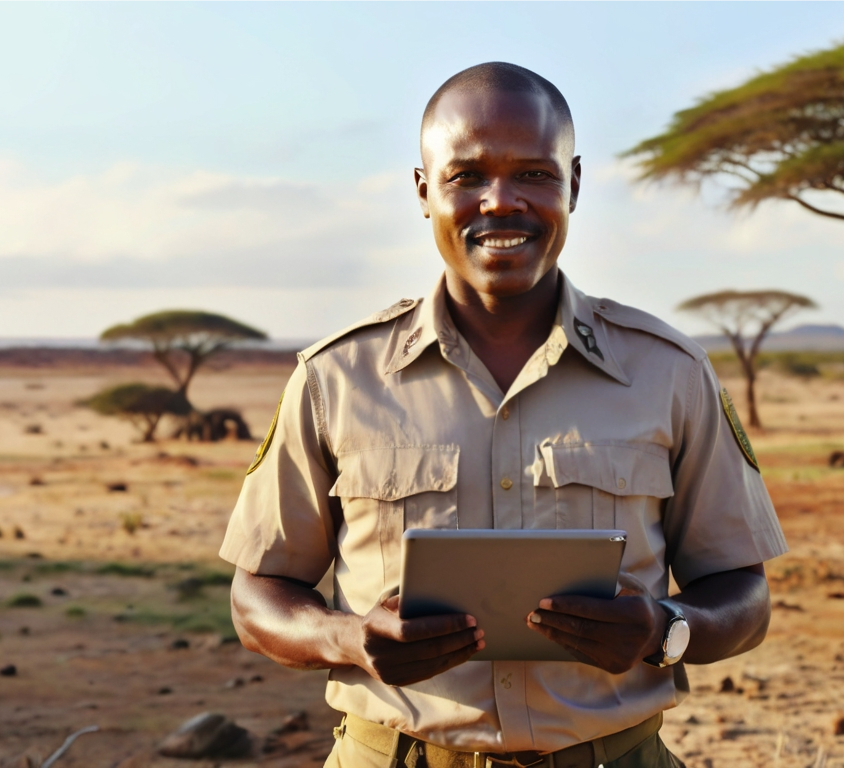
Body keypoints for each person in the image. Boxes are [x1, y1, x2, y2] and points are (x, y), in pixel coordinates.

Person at [221, 62, 788, 768]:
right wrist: (348, 639)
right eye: (466, 176)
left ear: (573, 184)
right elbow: (257, 595)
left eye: (534, 174)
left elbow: (744, 596)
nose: (500, 202)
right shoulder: (336, 377)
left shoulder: (669, 372)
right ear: (425, 191)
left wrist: (662, 630)